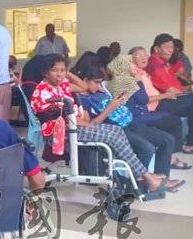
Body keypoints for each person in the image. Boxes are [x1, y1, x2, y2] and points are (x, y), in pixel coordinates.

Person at [30, 54, 170, 193]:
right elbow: (62, 118)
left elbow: (83, 86)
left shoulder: (61, 85)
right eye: (55, 70)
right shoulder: (43, 91)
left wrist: (67, 73)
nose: (59, 74)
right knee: (113, 137)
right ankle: (145, 176)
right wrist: (88, 124)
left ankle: (141, 174)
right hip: (61, 132)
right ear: (45, 72)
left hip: (74, 127)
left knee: (116, 130)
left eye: (62, 70)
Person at [77, 62, 183, 189]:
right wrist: (110, 107)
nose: (99, 86)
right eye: (96, 82)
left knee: (167, 139)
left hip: (130, 122)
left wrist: (110, 97)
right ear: (85, 81)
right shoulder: (83, 100)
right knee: (146, 148)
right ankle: (139, 185)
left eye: (100, 82)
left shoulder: (99, 92)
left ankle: (161, 179)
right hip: (114, 128)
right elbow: (91, 124)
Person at [106, 55, 193, 170]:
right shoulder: (126, 81)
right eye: (131, 63)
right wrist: (139, 81)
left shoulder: (115, 81)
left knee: (169, 120)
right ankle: (167, 164)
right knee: (170, 129)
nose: (135, 66)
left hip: (135, 117)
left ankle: (167, 161)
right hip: (136, 120)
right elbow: (143, 100)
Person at [129, 46, 193, 155]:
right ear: (131, 59)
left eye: (145, 55)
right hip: (154, 107)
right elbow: (143, 100)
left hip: (160, 101)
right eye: (139, 56)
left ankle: (192, 144)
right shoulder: (135, 75)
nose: (144, 58)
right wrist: (165, 95)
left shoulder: (144, 72)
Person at [147, 34, 193, 119]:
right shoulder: (156, 66)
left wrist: (188, 89)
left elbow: (175, 83)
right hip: (166, 101)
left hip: (175, 95)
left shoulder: (163, 63)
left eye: (172, 47)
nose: (170, 50)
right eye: (166, 47)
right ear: (156, 49)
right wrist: (189, 91)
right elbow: (171, 92)